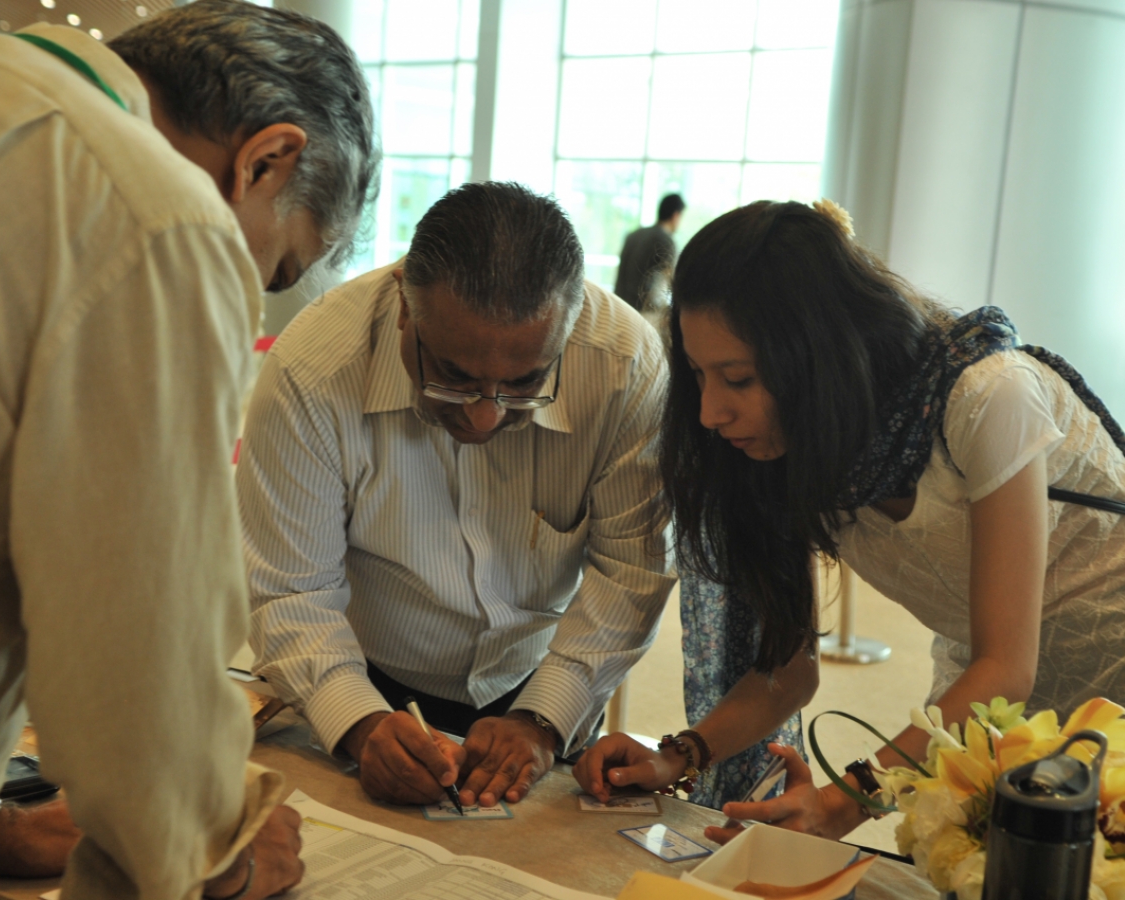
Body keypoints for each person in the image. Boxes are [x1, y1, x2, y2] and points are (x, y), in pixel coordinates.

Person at [0, 2, 377, 897]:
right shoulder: (154, 207)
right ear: (265, 160)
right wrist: (215, 860)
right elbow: (134, 651)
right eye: (272, 269)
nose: (249, 293)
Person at [576, 198, 1125, 844]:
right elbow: (786, 672)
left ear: (820, 357)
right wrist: (680, 754)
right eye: (699, 376)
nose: (709, 412)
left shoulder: (986, 395)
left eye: (739, 379)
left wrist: (845, 801)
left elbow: (1005, 664)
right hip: (983, 706)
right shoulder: (790, 450)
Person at [237, 181, 674, 812]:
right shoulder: (312, 371)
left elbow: (630, 572)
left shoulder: (624, 366)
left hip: (548, 673)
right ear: (405, 310)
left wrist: (545, 720)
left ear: (569, 328)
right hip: (361, 670)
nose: (484, 419)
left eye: (525, 383)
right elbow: (289, 589)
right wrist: (360, 724)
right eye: (454, 377)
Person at [614, 193, 686, 313]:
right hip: (642, 312)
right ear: (676, 215)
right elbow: (668, 281)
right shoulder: (666, 241)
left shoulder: (634, 234)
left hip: (619, 306)